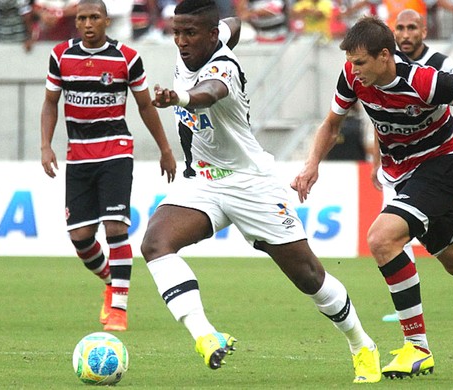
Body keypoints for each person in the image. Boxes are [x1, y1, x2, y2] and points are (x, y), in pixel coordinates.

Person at [292, 16, 453, 379]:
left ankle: (417, 348)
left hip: (444, 165)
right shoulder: (352, 76)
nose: (354, 70)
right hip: (403, 174)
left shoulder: (425, 81)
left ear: (385, 56)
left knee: (382, 238)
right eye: (351, 63)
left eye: (361, 62)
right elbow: (331, 123)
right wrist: (311, 166)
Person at [140, 0, 381, 383]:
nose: (181, 42)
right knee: (155, 244)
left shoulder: (224, 67)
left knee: (309, 277)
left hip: (251, 183)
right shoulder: (216, 36)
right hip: (203, 181)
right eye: (177, 33)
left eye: (190, 33)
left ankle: (361, 344)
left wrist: (180, 98)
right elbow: (232, 25)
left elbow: (210, 92)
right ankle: (206, 335)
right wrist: (235, 22)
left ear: (211, 35)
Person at [40, 0, 177, 332]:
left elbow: (145, 106)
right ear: (77, 22)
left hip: (115, 151)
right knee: (81, 238)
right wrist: (45, 145)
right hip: (79, 155)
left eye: (94, 18)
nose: (88, 23)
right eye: (82, 18)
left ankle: (119, 307)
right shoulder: (61, 56)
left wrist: (165, 149)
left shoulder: (127, 58)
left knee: (115, 227)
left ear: (106, 21)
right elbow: (50, 102)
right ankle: (110, 280)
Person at [378, 8, 453, 320]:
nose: (406, 34)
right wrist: (377, 160)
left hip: (436, 159)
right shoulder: (387, 64)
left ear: (424, 31)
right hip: (396, 165)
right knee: (391, 233)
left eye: (412, 28)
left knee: (447, 234)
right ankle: (407, 305)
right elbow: (380, 118)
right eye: (400, 28)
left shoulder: (440, 64)